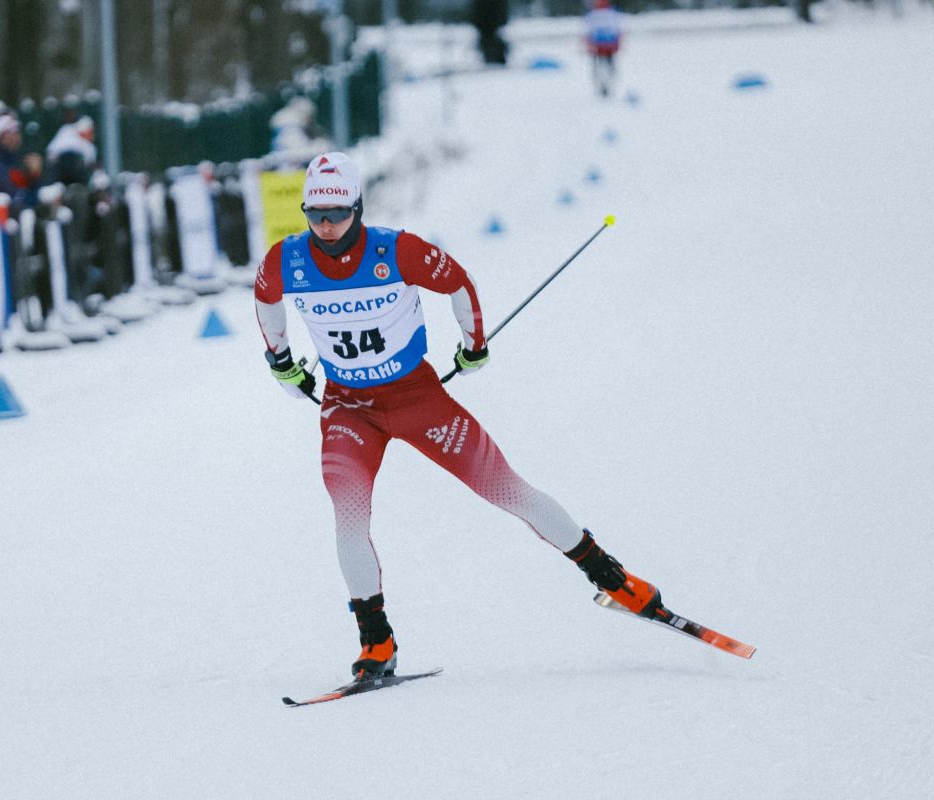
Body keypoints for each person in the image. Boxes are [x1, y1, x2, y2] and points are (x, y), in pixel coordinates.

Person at [253, 152, 661, 680]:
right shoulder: (286, 259)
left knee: (507, 489)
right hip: (348, 408)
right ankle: (376, 642)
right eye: (315, 215)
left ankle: (613, 579)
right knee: (349, 520)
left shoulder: (397, 250)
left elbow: (459, 283)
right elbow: (265, 297)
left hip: (416, 398)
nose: (326, 226)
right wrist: (282, 362)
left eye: (338, 213)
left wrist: (474, 346)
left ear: (359, 207)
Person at [0, 112, 43, 210]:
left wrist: (32, 177)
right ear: (3, 136)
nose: (18, 137)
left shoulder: (11, 160)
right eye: (14, 133)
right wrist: (34, 175)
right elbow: (18, 203)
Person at [584, 0, 623, 98]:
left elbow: (588, 30)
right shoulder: (611, 12)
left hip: (600, 46)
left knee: (600, 68)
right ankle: (606, 86)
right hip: (607, 45)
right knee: (607, 67)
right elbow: (617, 28)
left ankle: (604, 86)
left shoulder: (593, 13)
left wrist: (589, 43)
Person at [45, 115, 98, 186]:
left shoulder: (89, 147)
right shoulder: (66, 131)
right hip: (59, 171)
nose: (92, 135)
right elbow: (51, 151)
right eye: (90, 132)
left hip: (77, 176)